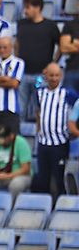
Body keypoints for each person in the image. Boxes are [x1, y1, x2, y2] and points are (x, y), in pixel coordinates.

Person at [32, 62, 79, 199]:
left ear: (61, 76)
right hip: (43, 143)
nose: (53, 78)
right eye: (51, 75)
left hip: (59, 144)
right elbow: (38, 112)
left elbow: (77, 108)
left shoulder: (67, 94)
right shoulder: (40, 93)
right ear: (46, 75)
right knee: (42, 180)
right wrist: (39, 128)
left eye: (57, 75)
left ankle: (59, 210)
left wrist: (73, 128)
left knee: (59, 180)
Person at [18, 0, 62, 118]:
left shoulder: (50, 26)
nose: (25, 11)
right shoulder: (21, 24)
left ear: (37, 8)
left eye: (28, 7)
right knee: (20, 108)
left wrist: (53, 63)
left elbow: (61, 47)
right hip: (23, 74)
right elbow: (17, 44)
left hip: (41, 76)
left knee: (40, 107)